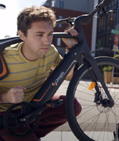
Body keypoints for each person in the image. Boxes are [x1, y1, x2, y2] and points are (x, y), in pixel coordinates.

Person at [0, 6, 81, 141]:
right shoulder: (5, 57)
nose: (46, 41)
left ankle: (26, 134)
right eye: (39, 35)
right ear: (22, 35)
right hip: (5, 115)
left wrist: (71, 50)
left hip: (31, 110)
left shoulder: (51, 52)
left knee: (72, 105)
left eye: (50, 34)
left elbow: (67, 75)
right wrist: (5, 97)